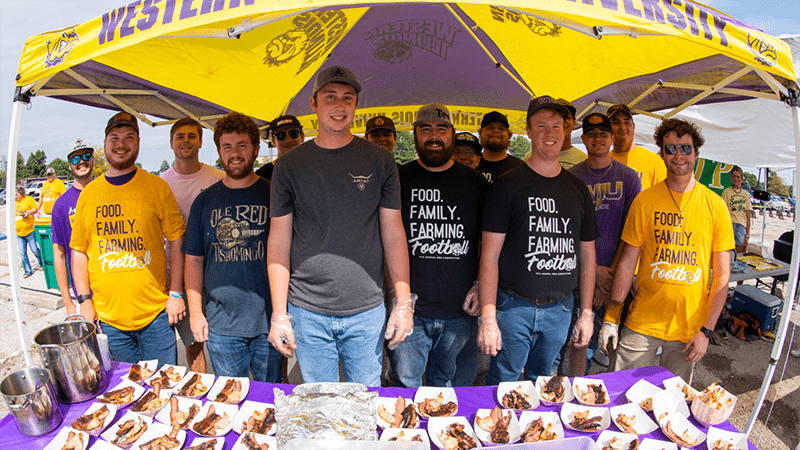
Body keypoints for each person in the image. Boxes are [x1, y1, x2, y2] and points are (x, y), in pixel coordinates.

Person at [267, 65, 412, 386]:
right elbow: (279, 241)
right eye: (330, 97)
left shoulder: (381, 160)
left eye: (348, 98)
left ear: (356, 106)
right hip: (307, 311)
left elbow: (394, 233)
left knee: (366, 401)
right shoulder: (289, 165)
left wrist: (403, 303)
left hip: (367, 311)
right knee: (320, 405)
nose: (339, 105)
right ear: (313, 103)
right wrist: (280, 314)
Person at [478, 96, 598, 383]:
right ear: (528, 132)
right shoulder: (508, 184)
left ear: (565, 132)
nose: (550, 133)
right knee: (503, 381)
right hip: (513, 308)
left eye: (557, 126)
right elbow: (489, 255)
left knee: (543, 382)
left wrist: (587, 313)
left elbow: (588, 255)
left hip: (560, 310)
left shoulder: (578, 189)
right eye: (541, 126)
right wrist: (488, 316)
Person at [606, 118, 733, 381]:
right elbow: (628, 262)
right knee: (619, 392)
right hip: (642, 321)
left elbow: (722, 276)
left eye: (685, 148)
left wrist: (706, 331)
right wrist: (611, 317)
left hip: (689, 329)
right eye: (670, 148)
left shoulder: (715, 205)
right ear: (661, 154)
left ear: (696, 153)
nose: (678, 155)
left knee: (672, 406)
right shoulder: (645, 200)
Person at [70, 111, 186, 366]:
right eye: (114, 137)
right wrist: (84, 301)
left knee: (165, 389)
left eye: (129, 137)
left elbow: (177, 240)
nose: (121, 144)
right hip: (109, 321)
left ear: (138, 143)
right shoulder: (89, 195)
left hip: (156, 314)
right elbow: (78, 251)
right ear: (104, 144)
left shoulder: (157, 187)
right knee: (126, 392)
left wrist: (176, 293)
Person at [390, 104, 489, 387]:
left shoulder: (475, 182)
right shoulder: (398, 179)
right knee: (406, 382)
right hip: (410, 310)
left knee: (446, 387)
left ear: (453, 135)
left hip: (460, 309)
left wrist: (481, 284)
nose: (434, 136)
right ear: (415, 135)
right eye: (426, 129)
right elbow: (385, 239)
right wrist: (395, 298)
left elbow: (490, 243)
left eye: (441, 129)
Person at [183, 112, 283, 381]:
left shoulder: (274, 193)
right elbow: (193, 260)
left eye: (242, 145)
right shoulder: (204, 201)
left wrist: (285, 315)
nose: (234, 154)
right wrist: (195, 314)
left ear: (256, 148)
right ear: (218, 151)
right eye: (227, 147)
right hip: (221, 326)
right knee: (229, 401)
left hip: (269, 322)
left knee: (269, 399)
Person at [565, 113, 641, 375]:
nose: (598, 138)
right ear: (584, 138)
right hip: (580, 271)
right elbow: (568, 230)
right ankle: (576, 389)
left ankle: (611, 391)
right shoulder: (571, 178)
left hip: (617, 274)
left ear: (612, 138)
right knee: (580, 338)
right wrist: (594, 270)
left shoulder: (629, 178)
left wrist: (610, 275)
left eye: (603, 134)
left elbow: (631, 232)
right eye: (592, 133)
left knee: (613, 338)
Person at [160, 117, 225, 373]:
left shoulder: (217, 179)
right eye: (180, 137)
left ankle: (225, 388)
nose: (186, 141)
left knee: (220, 340)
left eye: (191, 136)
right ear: (171, 143)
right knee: (193, 342)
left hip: (216, 273)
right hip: (178, 276)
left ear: (200, 141)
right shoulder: (160, 184)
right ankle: (201, 389)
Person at [52, 139, 95, 318]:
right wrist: (69, 304)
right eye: (75, 159)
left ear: (93, 159)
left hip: (114, 291)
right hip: (85, 297)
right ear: (69, 166)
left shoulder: (108, 193)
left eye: (86, 156)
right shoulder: (61, 205)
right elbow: (59, 255)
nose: (81, 161)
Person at [607, 104, 667, 190]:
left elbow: (664, 198)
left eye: (627, 122)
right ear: (608, 128)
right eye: (616, 123)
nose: (622, 127)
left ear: (633, 127)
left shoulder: (654, 161)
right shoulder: (602, 162)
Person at [523, 98, 587, 170]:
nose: (563, 122)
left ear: (574, 123)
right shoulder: (530, 158)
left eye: (567, 117)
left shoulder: (584, 160)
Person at [476, 111, 524, 183]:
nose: (495, 131)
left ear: (509, 135)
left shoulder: (520, 168)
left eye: (501, 128)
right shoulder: (471, 163)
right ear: (480, 133)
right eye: (490, 127)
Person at [256, 115, 305, 181]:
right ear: (273, 141)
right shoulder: (261, 176)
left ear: (302, 136)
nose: (288, 140)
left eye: (293, 133)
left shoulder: (315, 169)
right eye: (281, 135)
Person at [14, 185, 44, 279]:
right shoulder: (14, 203)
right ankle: (27, 271)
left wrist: (28, 213)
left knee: (34, 249)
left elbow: (35, 210)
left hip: (30, 231)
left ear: (21, 193)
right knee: (22, 253)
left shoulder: (29, 199)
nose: (15, 196)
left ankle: (41, 262)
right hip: (19, 233)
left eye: (16, 194)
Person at [721, 165, 751, 254]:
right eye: (733, 176)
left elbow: (748, 216)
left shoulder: (745, 194)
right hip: (730, 225)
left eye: (738, 176)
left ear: (741, 178)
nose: (736, 179)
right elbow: (723, 212)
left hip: (741, 227)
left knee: (740, 253)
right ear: (731, 177)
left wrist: (747, 235)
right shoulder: (726, 192)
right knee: (727, 253)